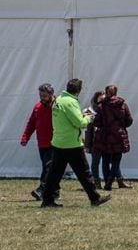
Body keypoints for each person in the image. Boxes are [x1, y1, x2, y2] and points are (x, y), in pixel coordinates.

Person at [41, 79, 111, 207]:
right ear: (79, 91)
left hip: (58, 142)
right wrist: (89, 117)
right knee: (84, 173)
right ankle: (95, 198)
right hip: (71, 144)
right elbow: (79, 122)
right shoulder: (71, 102)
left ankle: (47, 200)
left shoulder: (59, 99)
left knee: (54, 174)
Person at [93, 84, 133, 191]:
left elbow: (96, 121)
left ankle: (107, 182)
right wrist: (121, 126)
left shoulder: (101, 106)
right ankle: (110, 181)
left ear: (106, 93)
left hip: (105, 135)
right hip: (118, 135)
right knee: (116, 160)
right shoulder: (122, 105)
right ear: (116, 92)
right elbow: (129, 120)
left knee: (105, 160)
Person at [20, 83, 56, 200]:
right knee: (50, 168)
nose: (42, 98)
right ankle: (55, 192)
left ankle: (41, 190)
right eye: (40, 95)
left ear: (51, 94)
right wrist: (25, 137)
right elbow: (31, 123)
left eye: (44, 95)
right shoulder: (37, 107)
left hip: (54, 142)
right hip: (42, 143)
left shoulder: (57, 106)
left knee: (48, 167)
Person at [83, 91, 104, 189]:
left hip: (106, 139)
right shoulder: (88, 110)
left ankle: (118, 180)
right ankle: (96, 181)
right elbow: (88, 130)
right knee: (95, 162)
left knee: (111, 161)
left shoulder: (106, 110)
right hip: (94, 140)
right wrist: (87, 145)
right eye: (100, 99)